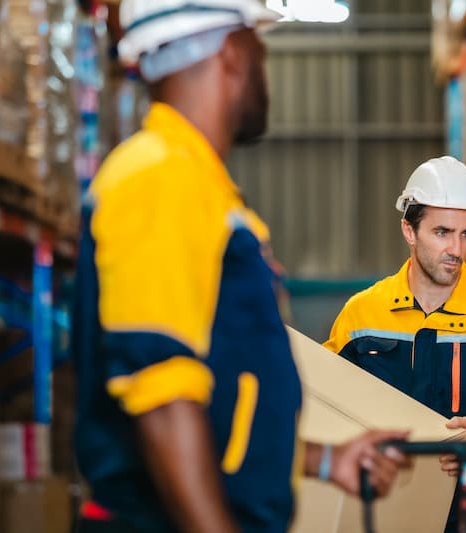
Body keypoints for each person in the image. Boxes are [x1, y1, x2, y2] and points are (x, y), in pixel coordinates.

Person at [71, 1, 408, 532]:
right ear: (231, 52)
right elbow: (162, 396)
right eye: (259, 47)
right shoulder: (161, 178)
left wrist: (325, 460)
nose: (263, 68)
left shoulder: (199, 187)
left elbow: (221, 404)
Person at [324, 156, 466, 532]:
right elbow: (327, 405)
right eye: (442, 232)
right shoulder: (361, 315)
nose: (457, 249)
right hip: (386, 512)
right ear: (409, 230)